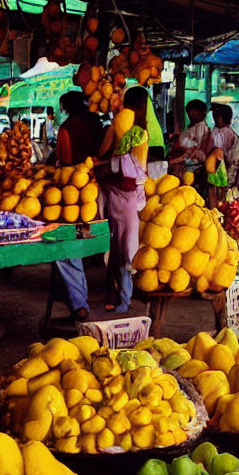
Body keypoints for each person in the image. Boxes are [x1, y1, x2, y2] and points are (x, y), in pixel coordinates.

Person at [97, 86, 152, 313]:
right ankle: (123, 296)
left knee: (119, 249)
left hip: (119, 195)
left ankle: (122, 297)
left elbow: (103, 153)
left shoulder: (123, 125)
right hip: (127, 196)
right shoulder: (140, 130)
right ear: (143, 106)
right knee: (125, 249)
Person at [53, 91, 103, 322]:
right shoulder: (96, 122)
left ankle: (79, 306)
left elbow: (65, 161)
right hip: (99, 186)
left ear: (65, 106)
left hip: (76, 191)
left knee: (67, 248)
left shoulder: (66, 128)